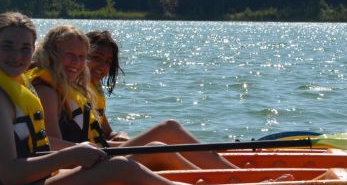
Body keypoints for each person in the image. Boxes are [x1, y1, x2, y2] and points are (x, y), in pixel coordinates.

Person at [0, 12, 190, 185]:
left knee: (121, 163)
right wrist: (70, 154)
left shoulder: (14, 85)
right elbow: (9, 174)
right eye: (7, 47)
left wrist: (73, 155)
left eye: (25, 48)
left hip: (31, 182)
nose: (17, 56)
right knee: (119, 167)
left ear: (34, 50)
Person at [30, 25, 237, 171]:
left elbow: (103, 135)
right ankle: (224, 181)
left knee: (165, 135)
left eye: (81, 57)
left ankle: (229, 175)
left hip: (95, 155)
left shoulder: (77, 90)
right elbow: (51, 144)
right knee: (165, 134)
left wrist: (119, 135)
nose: (77, 63)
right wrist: (83, 149)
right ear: (52, 54)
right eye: (71, 55)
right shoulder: (47, 90)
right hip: (82, 163)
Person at [86, 30, 239, 169]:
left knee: (164, 138)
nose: (102, 66)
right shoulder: (68, 92)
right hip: (96, 160)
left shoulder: (93, 89)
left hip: (106, 152)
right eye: (96, 58)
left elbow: (106, 133)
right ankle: (231, 179)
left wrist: (120, 135)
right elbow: (77, 145)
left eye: (107, 62)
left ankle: (230, 176)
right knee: (169, 129)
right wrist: (115, 145)